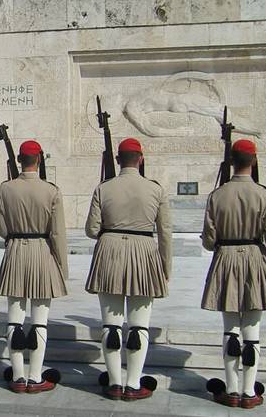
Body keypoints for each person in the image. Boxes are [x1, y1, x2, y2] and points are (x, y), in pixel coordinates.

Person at [84, 137, 171, 401]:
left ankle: (114, 383)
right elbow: (165, 233)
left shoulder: (104, 188)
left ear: (118, 160)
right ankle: (133, 384)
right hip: (144, 253)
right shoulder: (155, 189)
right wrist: (165, 269)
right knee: (139, 326)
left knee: (111, 325)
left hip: (110, 252)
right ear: (141, 159)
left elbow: (91, 230)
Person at [201, 139, 266, 410]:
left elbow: (209, 241)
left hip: (225, 259)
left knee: (230, 330)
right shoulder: (264, 195)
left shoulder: (217, 195)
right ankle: (249, 391)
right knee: (252, 331)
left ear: (231, 162)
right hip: (255, 260)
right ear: (254, 161)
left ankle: (231, 389)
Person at [0, 140, 68, 393]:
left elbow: (2, 229)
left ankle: (17, 376)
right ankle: (35, 378)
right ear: (39, 160)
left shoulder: (5, 189)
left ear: (19, 160)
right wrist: (61, 267)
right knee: (39, 322)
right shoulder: (51, 190)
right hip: (42, 252)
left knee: (14, 320)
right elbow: (57, 234)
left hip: (15, 251)